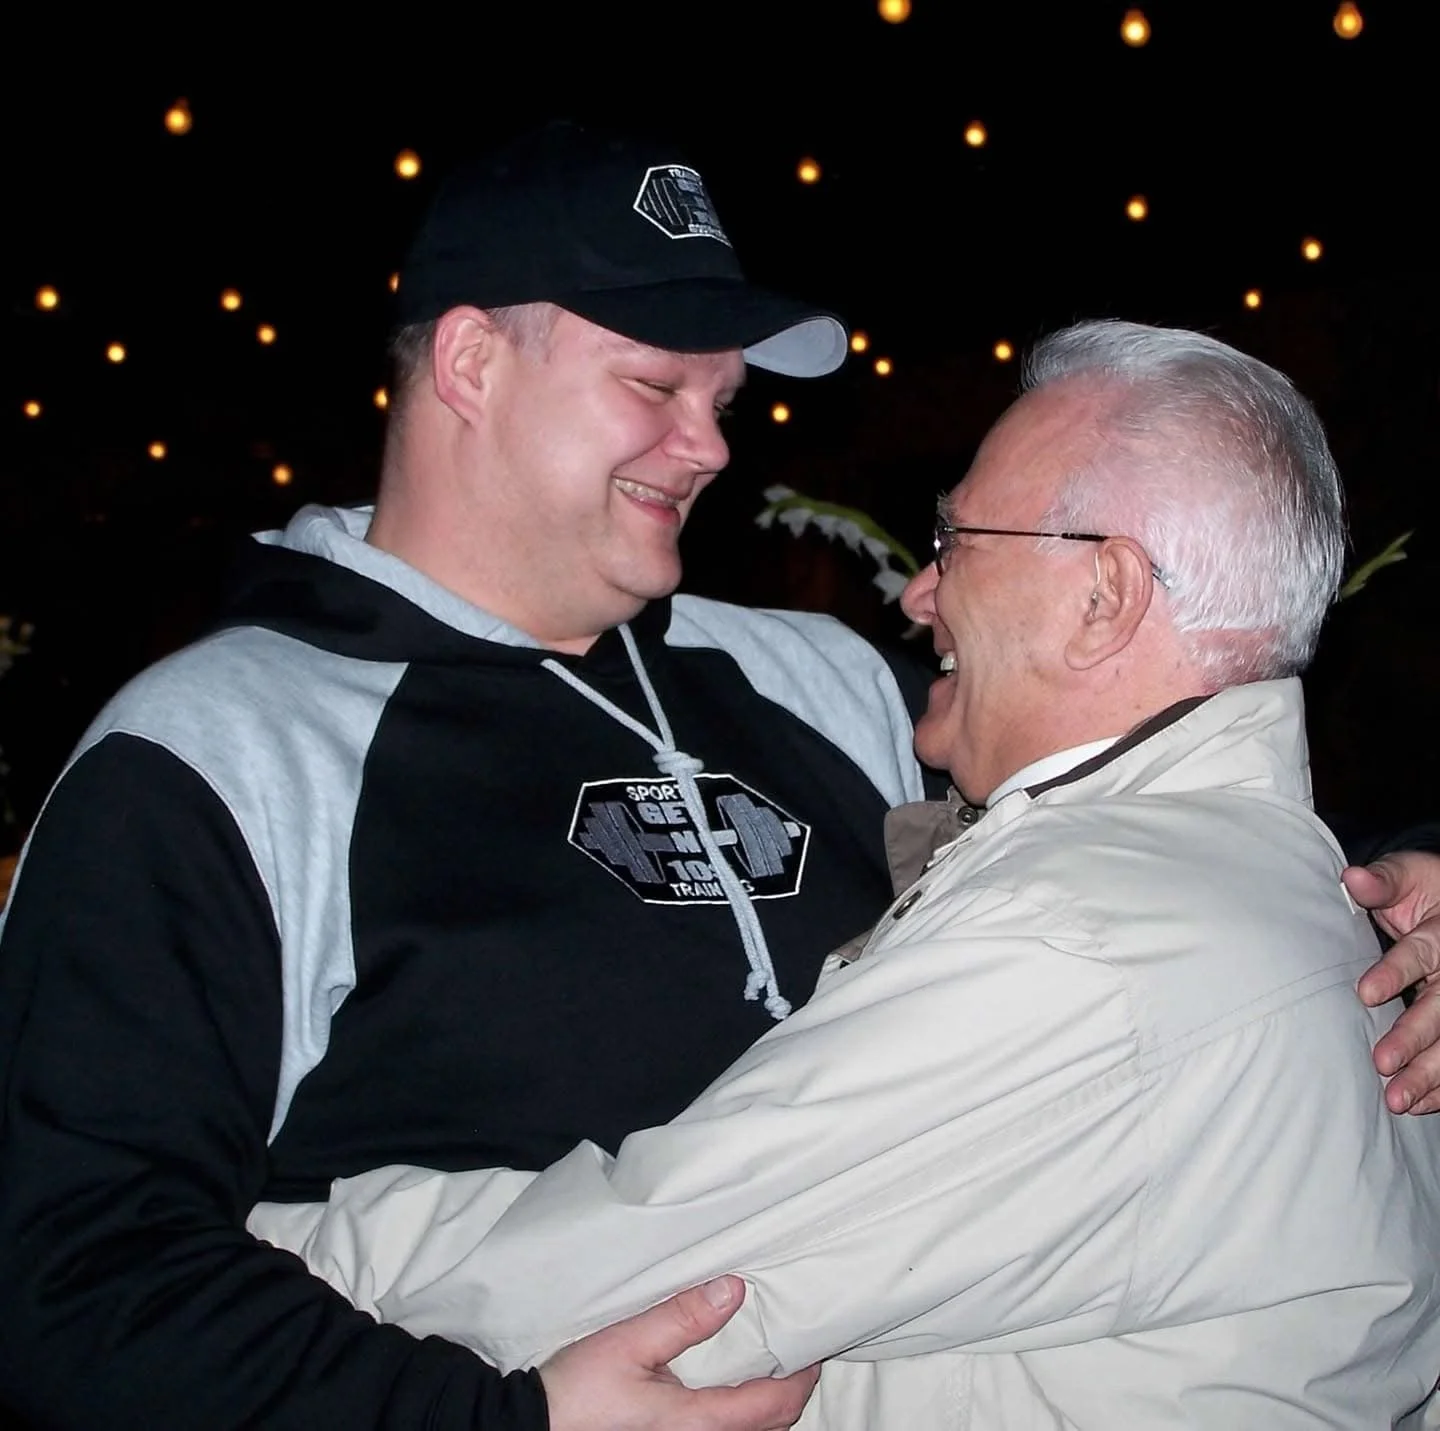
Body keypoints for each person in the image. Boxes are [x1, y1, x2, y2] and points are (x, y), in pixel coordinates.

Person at [0, 121, 1434, 1429]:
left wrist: (1406, 900)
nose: (713, 444)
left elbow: (1139, 819)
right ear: (469, 365)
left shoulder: (811, 679)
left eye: (727, 394)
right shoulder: (218, 752)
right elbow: (70, 1279)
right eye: (656, 385)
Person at [250, 322, 1440, 1428]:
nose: (920, 593)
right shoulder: (1294, 897)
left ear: (1104, 596)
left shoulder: (1080, 939)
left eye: (955, 544)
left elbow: (609, 1281)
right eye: (656, 384)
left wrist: (247, 1246)